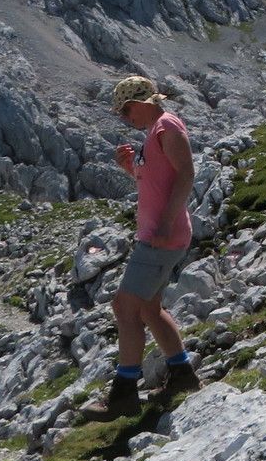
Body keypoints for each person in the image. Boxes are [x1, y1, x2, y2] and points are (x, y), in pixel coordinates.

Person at [80, 75, 199, 419]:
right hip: (158, 235)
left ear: (141, 103)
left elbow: (186, 173)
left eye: (126, 110)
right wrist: (131, 167)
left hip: (161, 238)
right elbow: (158, 182)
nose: (124, 117)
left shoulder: (166, 126)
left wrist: (165, 224)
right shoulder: (153, 134)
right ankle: (182, 374)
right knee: (148, 308)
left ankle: (123, 394)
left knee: (124, 307)